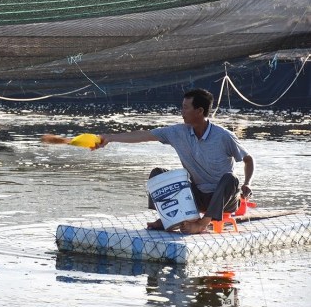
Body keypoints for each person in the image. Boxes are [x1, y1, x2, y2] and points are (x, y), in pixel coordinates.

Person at [95, 88, 254, 234]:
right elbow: (144, 135)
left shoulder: (224, 136)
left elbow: (248, 160)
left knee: (230, 178)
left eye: (185, 108)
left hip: (223, 199)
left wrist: (247, 183)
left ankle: (203, 223)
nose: (181, 112)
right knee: (158, 174)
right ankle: (167, 219)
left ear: (199, 111)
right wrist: (110, 138)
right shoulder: (178, 132)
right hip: (196, 196)